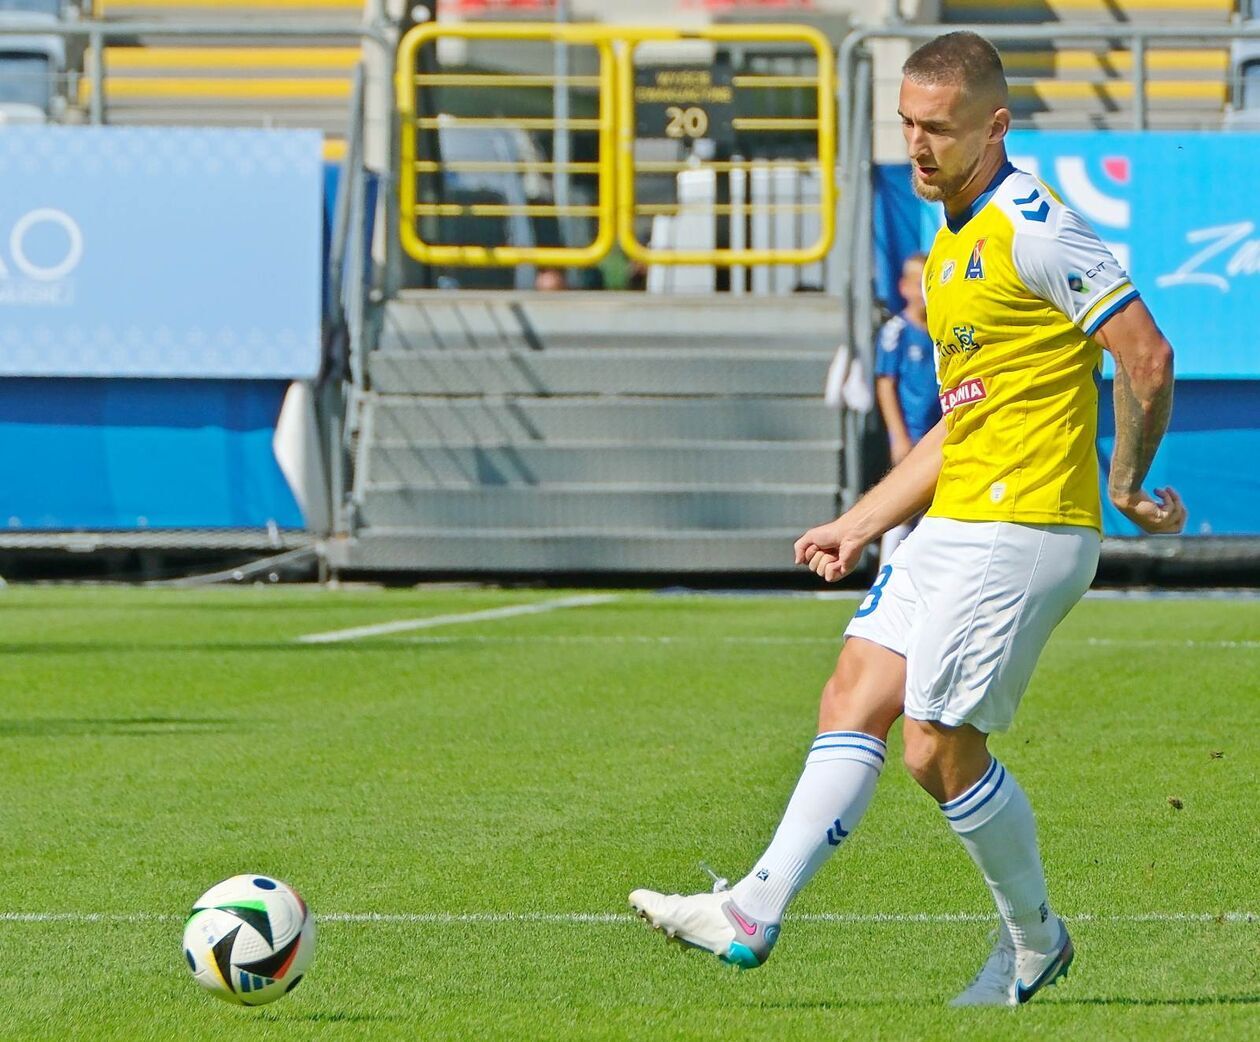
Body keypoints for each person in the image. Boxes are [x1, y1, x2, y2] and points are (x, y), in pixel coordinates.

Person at [629, 30, 1186, 1007]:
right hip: (957, 518)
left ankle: (1036, 939)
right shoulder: (952, 234)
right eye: (908, 126)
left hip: (1027, 528)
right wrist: (860, 517)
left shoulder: (1036, 227)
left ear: (995, 127)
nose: (919, 147)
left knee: (935, 747)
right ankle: (753, 909)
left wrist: (1130, 484)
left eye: (940, 129)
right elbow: (963, 419)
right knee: (853, 690)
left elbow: (1146, 356)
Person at [874, 252, 941, 565]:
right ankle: (885, 575)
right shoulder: (897, 331)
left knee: (937, 512)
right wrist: (898, 436)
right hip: (913, 434)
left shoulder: (943, 330)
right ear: (904, 287)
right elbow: (885, 383)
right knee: (904, 506)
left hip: (941, 435)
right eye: (918, 283)